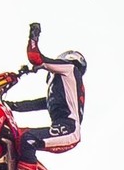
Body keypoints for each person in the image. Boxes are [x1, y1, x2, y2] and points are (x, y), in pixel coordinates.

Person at [7, 21, 85, 161]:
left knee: (27, 140)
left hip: (69, 129)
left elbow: (35, 58)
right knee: (13, 135)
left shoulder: (69, 69)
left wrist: (34, 35)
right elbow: (37, 104)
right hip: (63, 128)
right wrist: (10, 105)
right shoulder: (64, 91)